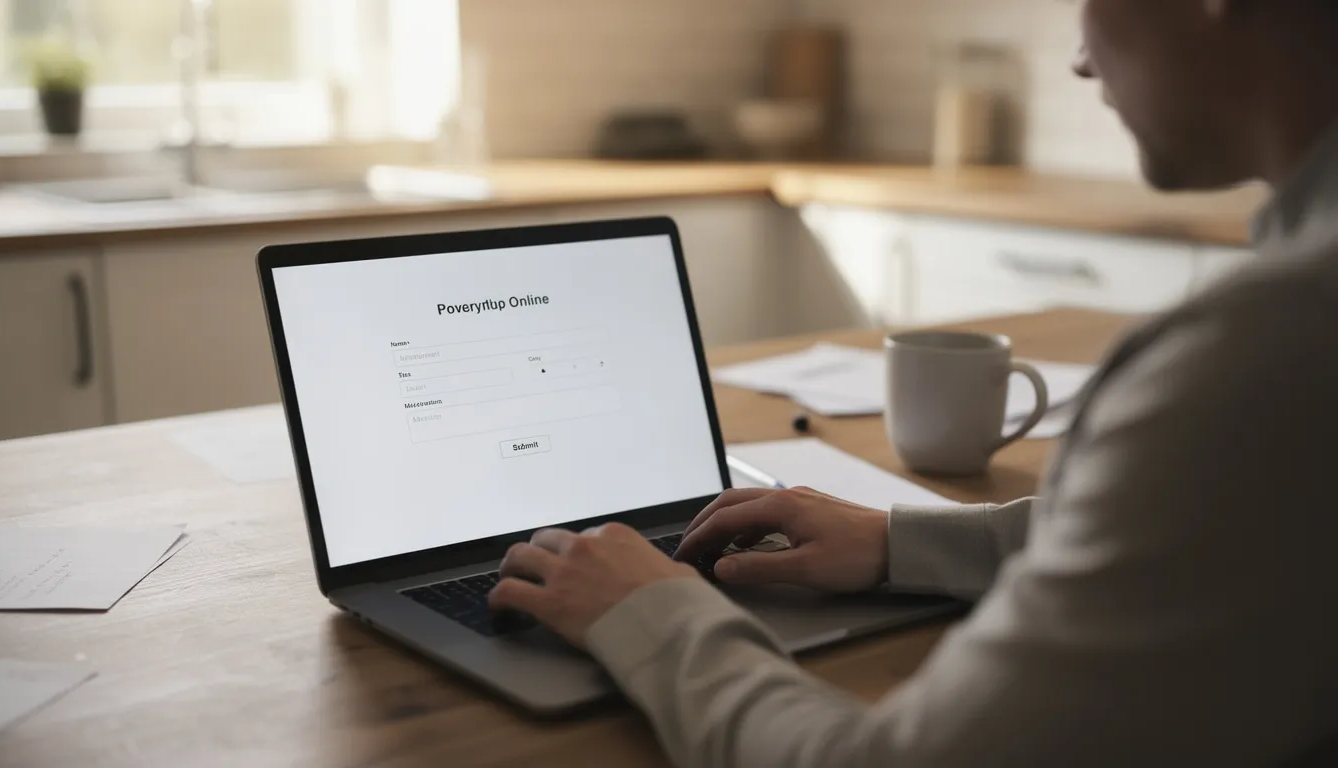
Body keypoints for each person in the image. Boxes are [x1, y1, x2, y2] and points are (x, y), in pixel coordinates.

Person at [489, 1, 1338, 764]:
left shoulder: (1251, 357)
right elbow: (1211, 526)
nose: (1081, 57)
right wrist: (902, 543)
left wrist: (654, 616)